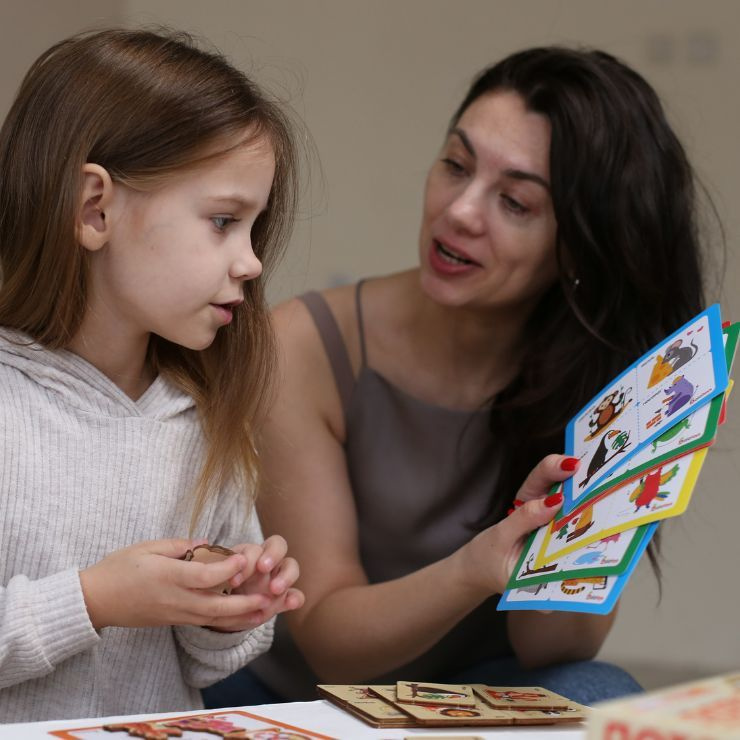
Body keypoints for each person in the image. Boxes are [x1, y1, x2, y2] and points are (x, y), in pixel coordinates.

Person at [203, 46, 710, 709]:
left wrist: (597, 516)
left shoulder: (600, 368)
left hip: (482, 693)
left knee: (598, 691)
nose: (461, 212)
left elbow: (551, 650)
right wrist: (477, 566)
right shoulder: (301, 344)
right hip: (307, 694)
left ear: (578, 246)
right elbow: (329, 640)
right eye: (456, 165)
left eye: (515, 202)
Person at [0, 28, 306, 722]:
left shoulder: (200, 420)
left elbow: (211, 663)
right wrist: (94, 600)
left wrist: (230, 606)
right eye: (224, 221)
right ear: (95, 208)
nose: (252, 262)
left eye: (255, 229)